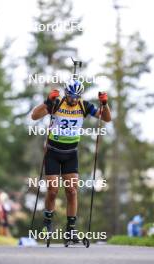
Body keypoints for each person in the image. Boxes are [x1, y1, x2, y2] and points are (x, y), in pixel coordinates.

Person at [31, 79, 111, 242]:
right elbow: (34, 116)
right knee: (53, 191)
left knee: (72, 191)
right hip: (53, 152)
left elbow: (106, 118)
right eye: (71, 96)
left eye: (77, 96)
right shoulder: (57, 103)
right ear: (66, 94)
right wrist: (47, 101)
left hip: (70, 154)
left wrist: (105, 104)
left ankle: (70, 230)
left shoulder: (84, 105)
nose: (74, 100)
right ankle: (47, 224)